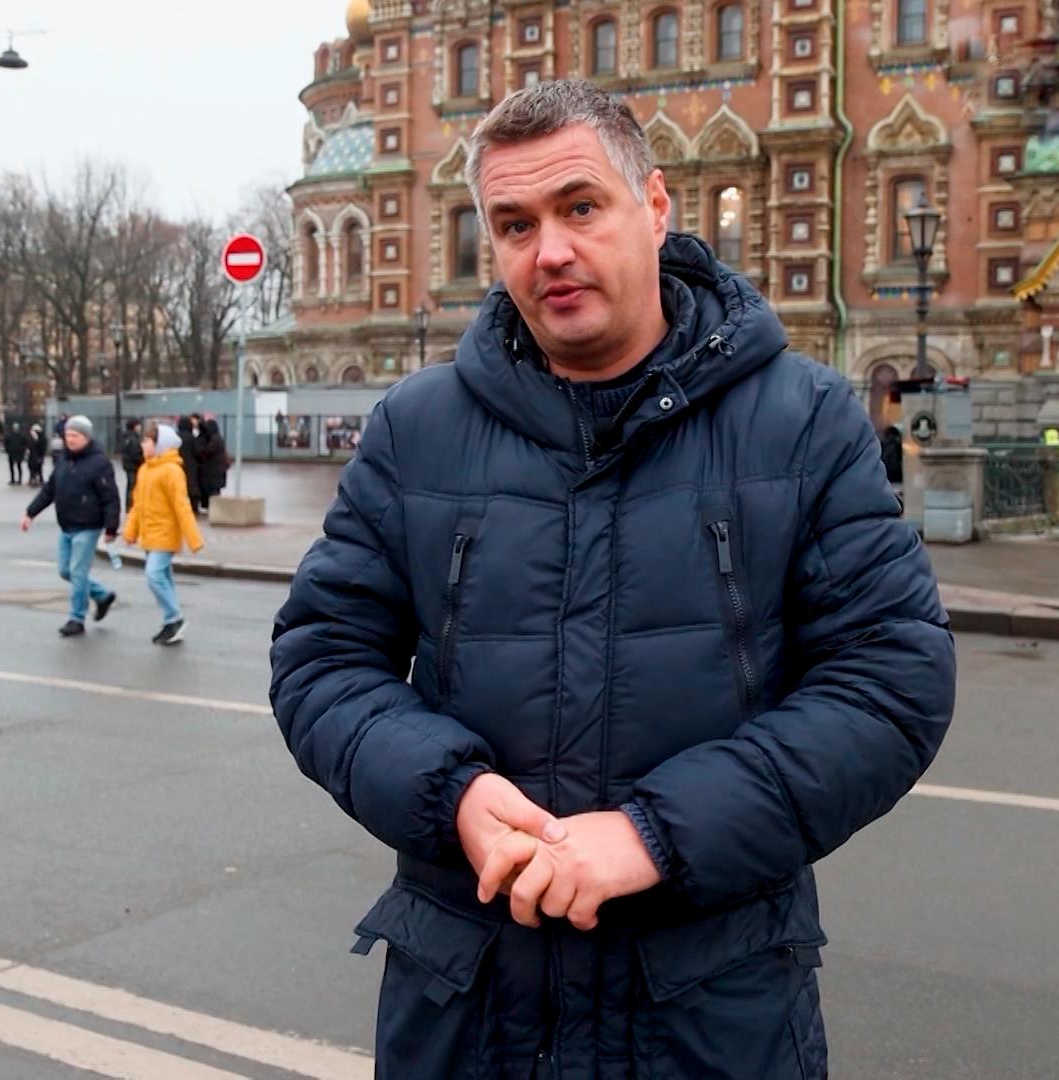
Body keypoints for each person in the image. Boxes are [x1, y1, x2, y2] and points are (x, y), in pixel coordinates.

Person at [269, 81, 954, 1078]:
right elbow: (321, 661)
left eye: (580, 206)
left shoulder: (800, 421)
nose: (549, 250)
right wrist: (454, 796)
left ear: (656, 206)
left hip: (707, 1015)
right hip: (469, 1014)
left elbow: (891, 682)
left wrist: (654, 837)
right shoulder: (417, 431)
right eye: (515, 224)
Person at [21, 415, 120, 637]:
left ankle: (77, 618)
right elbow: (49, 490)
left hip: (88, 526)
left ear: (86, 437)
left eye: (75, 435)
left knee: (78, 572)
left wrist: (111, 528)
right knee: (66, 571)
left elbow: (110, 497)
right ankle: (102, 596)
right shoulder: (64, 460)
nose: (70, 439)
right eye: (68, 435)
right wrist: (30, 513)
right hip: (67, 526)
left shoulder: (99, 463)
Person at [121, 422, 204, 646]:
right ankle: (170, 622)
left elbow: (181, 505)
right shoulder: (145, 469)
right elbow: (137, 505)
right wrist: (130, 532)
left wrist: (194, 539)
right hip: (150, 535)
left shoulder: (172, 470)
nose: (143, 445)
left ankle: (175, 617)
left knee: (154, 575)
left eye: (147, 441)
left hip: (165, 534)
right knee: (163, 577)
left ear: (160, 444)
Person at [195, 415, 226, 508]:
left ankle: (214, 509)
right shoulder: (218, 438)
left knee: (213, 494)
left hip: (213, 473)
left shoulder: (214, 440)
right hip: (217, 473)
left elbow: (207, 451)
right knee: (214, 492)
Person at [176, 416, 204, 514]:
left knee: (178, 487)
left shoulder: (176, 437)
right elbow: (198, 452)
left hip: (177, 464)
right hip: (190, 465)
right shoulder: (191, 438)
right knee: (192, 487)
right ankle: (194, 508)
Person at [118, 419, 145, 510]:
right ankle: (131, 506)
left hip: (128, 465)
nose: (140, 427)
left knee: (130, 485)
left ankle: (129, 505)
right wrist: (142, 461)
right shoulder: (133, 438)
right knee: (132, 486)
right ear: (134, 426)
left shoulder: (126, 437)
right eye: (138, 425)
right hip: (133, 466)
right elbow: (135, 453)